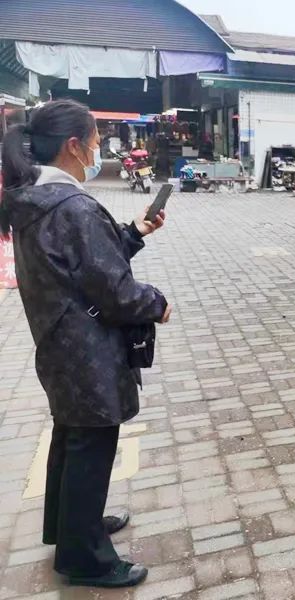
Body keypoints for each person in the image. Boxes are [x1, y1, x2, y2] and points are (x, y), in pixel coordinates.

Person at [0, 99, 171, 588]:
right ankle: (85, 558)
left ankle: (72, 526)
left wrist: (133, 232)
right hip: (86, 346)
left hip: (60, 340)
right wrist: (156, 303)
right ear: (73, 146)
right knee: (91, 445)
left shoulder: (36, 199)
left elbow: (83, 262)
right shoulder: (72, 206)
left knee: (72, 437)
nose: (99, 151)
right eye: (96, 142)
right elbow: (113, 290)